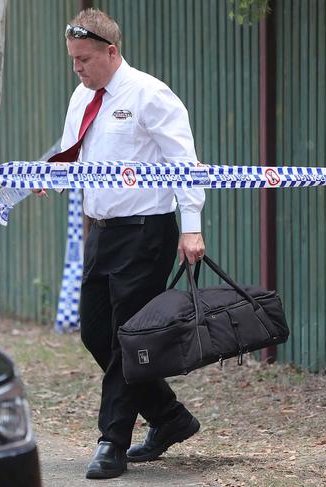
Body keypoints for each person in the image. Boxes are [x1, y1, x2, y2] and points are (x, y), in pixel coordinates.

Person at [49, 8, 206, 479]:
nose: (78, 68)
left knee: (126, 337)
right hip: (102, 231)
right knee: (96, 333)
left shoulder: (150, 94)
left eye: (85, 59)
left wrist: (191, 224)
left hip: (144, 232)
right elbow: (72, 157)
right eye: (73, 59)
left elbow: (185, 162)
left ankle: (111, 441)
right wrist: (43, 178)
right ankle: (169, 417)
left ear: (111, 51)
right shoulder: (82, 97)